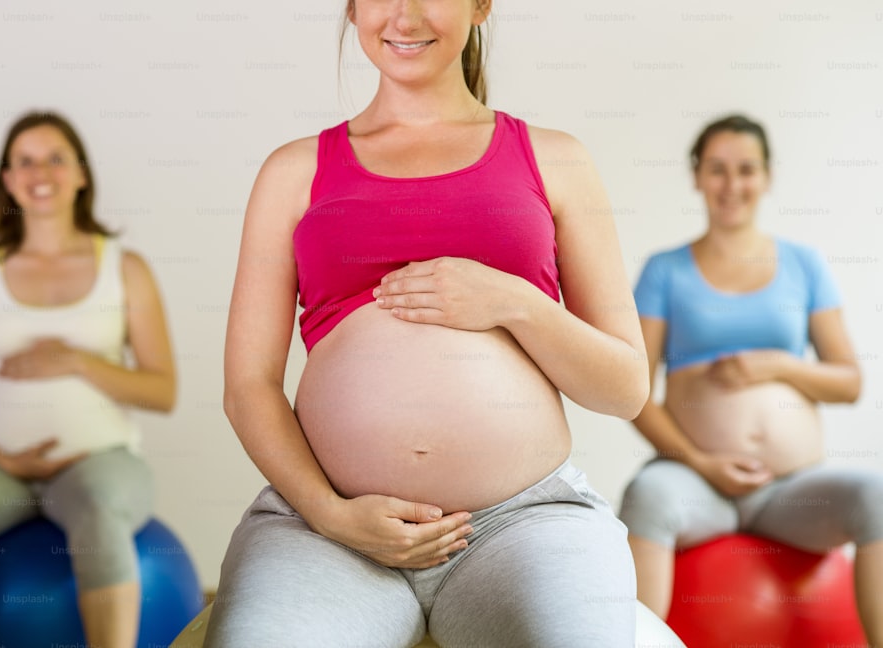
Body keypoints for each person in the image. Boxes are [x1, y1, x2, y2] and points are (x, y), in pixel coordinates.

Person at [209, 1, 649, 646]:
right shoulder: (293, 171)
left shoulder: (556, 159)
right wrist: (330, 514)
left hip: (521, 522)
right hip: (327, 528)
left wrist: (513, 301)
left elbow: (625, 388)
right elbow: (248, 385)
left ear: (479, 5)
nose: (405, 15)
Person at [0, 111, 176, 648]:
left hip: (99, 463)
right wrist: (2, 459)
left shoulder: (126, 268)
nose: (39, 172)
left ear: (81, 175)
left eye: (55, 158)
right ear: (7, 179)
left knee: (99, 513)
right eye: (23, 161)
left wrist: (76, 361)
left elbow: (162, 391)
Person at [618, 114, 883, 643]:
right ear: (696, 176)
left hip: (791, 491)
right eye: (717, 169)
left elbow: (849, 382)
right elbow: (635, 391)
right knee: (647, 494)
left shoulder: (803, 265)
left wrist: (778, 365)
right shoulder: (664, 270)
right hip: (697, 484)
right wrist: (702, 463)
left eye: (746, 170)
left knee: (877, 496)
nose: (732, 185)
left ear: (766, 177)